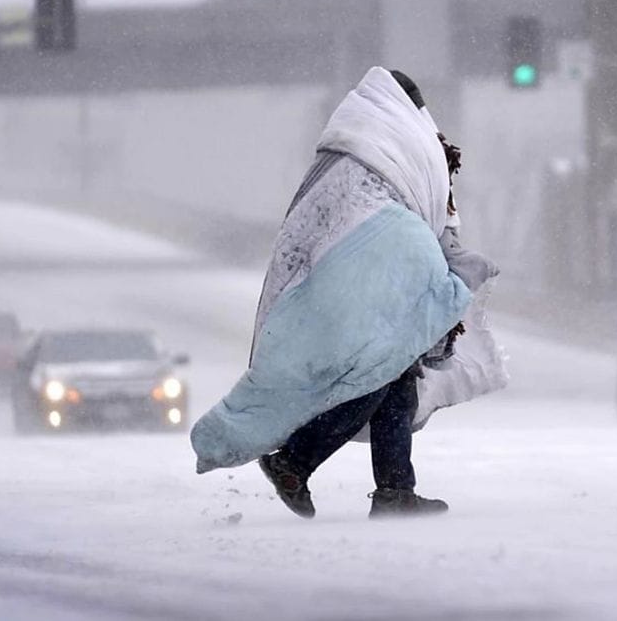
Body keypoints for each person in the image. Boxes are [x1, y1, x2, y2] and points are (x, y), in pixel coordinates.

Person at [190, 67, 505, 519]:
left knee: (395, 377)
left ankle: (395, 490)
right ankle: (295, 460)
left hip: (344, 284)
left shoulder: (352, 153)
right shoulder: (392, 151)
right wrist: (443, 269)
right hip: (362, 285)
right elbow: (406, 220)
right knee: (376, 374)